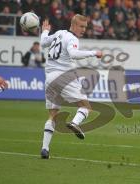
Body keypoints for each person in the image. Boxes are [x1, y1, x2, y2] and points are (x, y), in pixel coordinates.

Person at [40, 14, 102, 159]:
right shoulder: (72, 38)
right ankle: (75, 123)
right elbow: (73, 54)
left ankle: (44, 148)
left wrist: (44, 31)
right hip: (64, 76)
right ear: (73, 25)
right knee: (86, 106)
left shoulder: (59, 33)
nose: (83, 30)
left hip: (49, 79)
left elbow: (43, 43)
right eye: (81, 26)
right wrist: (94, 53)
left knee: (53, 114)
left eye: (85, 27)